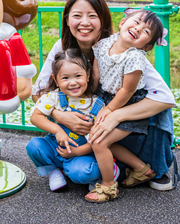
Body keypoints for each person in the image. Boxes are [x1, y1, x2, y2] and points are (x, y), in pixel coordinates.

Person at [32, 0, 177, 191]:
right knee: (45, 150)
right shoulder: (62, 47)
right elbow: (38, 91)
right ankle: (78, 166)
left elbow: (164, 97)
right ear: (66, 20)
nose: (84, 23)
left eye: (92, 16)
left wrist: (115, 116)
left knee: (156, 111)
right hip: (83, 127)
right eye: (77, 16)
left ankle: (152, 166)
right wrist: (60, 116)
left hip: (113, 118)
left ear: (103, 19)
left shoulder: (122, 48)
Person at [82, 9, 166, 202]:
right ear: (122, 23)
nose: (138, 29)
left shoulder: (134, 58)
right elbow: (96, 73)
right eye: (136, 22)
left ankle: (108, 186)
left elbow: (127, 91)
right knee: (104, 139)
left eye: (146, 31)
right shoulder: (104, 43)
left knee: (99, 141)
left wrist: (109, 110)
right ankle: (141, 169)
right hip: (107, 98)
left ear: (147, 46)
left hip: (128, 102)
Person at [26, 49, 116, 191]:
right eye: (65, 78)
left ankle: (95, 173)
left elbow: (98, 139)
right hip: (56, 147)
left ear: (87, 75)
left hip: (80, 154)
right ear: (55, 79)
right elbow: (35, 117)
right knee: (34, 146)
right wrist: (57, 130)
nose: (72, 83)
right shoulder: (54, 97)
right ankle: (53, 171)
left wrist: (76, 152)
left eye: (78, 76)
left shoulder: (97, 105)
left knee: (85, 172)